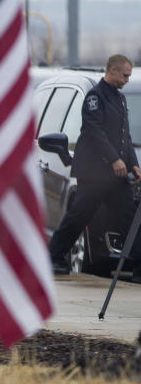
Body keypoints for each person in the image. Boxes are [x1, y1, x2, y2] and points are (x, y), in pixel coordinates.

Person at [49, 54, 141, 280]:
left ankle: (139, 267)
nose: (127, 79)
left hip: (117, 177)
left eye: (130, 75)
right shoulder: (95, 97)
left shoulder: (119, 99)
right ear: (111, 70)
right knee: (79, 216)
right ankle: (53, 257)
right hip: (95, 174)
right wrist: (113, 159)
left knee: (130, 219)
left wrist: (133, 164)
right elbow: (94, 131)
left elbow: (124, 137)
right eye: (124, 75)